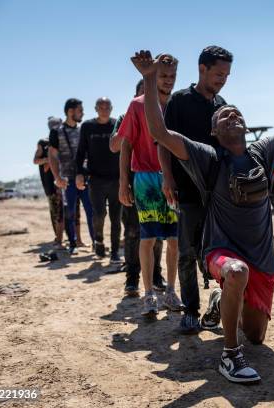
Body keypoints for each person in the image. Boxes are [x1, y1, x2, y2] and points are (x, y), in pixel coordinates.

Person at [131, 47, 274, 383]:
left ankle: (221, 300)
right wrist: (149, 78)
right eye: (224, 116)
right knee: (231, 269)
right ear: (213, 131)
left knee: (257, 336)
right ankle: (229, 355)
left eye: (236, 114)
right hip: (223, 252)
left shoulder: (264, 152)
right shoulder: (208, 157)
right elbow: (160, 134)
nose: (231, 115)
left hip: (262, 259)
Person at [159, 45, 232, 333]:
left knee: (218, 251)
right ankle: (190, 309)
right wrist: (168, 178)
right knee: (187, 251)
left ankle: (218, 301)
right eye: (218, 73)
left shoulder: (222, 104)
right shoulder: (179, 101)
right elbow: (164, 142)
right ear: (202, 69)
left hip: (216, 192)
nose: (223, 79)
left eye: (227, 74)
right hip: (186, 190)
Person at [117, 55, 183, 316]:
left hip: (174, 179)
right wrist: (124, 182)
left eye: (171, 75)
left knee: (175, 240)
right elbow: (126, 144)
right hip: (145, 178)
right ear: (153, 76)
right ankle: (148, 295)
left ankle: (170, 291)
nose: (167, 80)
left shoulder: (178, 105)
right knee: (148, 238)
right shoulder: (137, 105)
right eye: (162, 75)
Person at [110, 80, 166, 296]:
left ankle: (156, 276)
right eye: (145, 92)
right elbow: (114, 146)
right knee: (133, 232)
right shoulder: (126, 116)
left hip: (159, 182)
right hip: (135, 182)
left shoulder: (164, 113)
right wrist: (132, 126)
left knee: (158, 233)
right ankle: (132, 279)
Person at [76, 97, 122, 263]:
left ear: (111, 108)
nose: (104, 109)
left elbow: (125, 150)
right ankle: (99, 240)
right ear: (95, 109)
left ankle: (115, 252)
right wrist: (79, 173)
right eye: (101, 107)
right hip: (96, 179)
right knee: (100, 214)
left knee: (116, 218)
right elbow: (80, 152)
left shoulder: (117, 124)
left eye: (107, 106)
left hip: (117, 179)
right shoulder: (88, 127)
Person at [49, 98, 95, 255]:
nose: (82, 113)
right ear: (70, 112)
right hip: (67, 180)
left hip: (84, 178)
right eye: (80, 110)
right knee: (69, 212)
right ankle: (73, 244)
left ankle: (96, 243)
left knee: (91, 211)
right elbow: (52, 156)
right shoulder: (57, 132)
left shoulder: (84, 129)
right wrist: (57, 177)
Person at [33, 116, 64, 248]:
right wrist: (49, 160)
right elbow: (35, 160)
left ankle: (68, 237)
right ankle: (58, 237)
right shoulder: (43, 142)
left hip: (64, 181)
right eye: (54, 125)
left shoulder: (64, 140)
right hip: (50, 182)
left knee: (69, 210)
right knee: (55, 210)